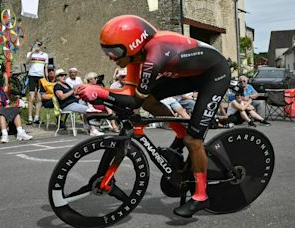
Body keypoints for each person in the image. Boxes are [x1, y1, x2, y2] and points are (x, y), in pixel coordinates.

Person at [76, 15, 231, 217]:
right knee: (149, 100)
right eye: (106, 51)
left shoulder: (154, 56)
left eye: (114, 51)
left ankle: (201, 196)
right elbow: (130, 94)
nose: (110, 57)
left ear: (133, 44)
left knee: (194, 140)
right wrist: (101, 93)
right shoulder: (136, 57)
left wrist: (100, 93)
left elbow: (134, 102)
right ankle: (181, 132)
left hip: (214, 74)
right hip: (190, 74)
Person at [54, 69, 104, 136]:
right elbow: (62, 97)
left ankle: (90, 126)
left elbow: (73, 94)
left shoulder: (66, 84)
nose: (64, 76)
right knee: (89, 110)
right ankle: (93, 129)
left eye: (64, 75)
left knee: (89, 103)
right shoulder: (57, 86)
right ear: (57, 77)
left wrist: (79, 93)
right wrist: (72, 90)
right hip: (67, 105)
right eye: (61, 75)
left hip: (75, 102)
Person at [26, 40, 48, 124]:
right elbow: (27, 62)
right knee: (31, 97)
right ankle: (30, 117)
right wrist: (32, 52)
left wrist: (46, 78)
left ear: (41, 45)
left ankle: (36, 117)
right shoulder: (30, 53)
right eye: (36, 44)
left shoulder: (45, 55)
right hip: (32, 75)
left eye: (39, 44)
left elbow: (45, 67)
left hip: (41, 77)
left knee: (39, 97)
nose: (38, 46)